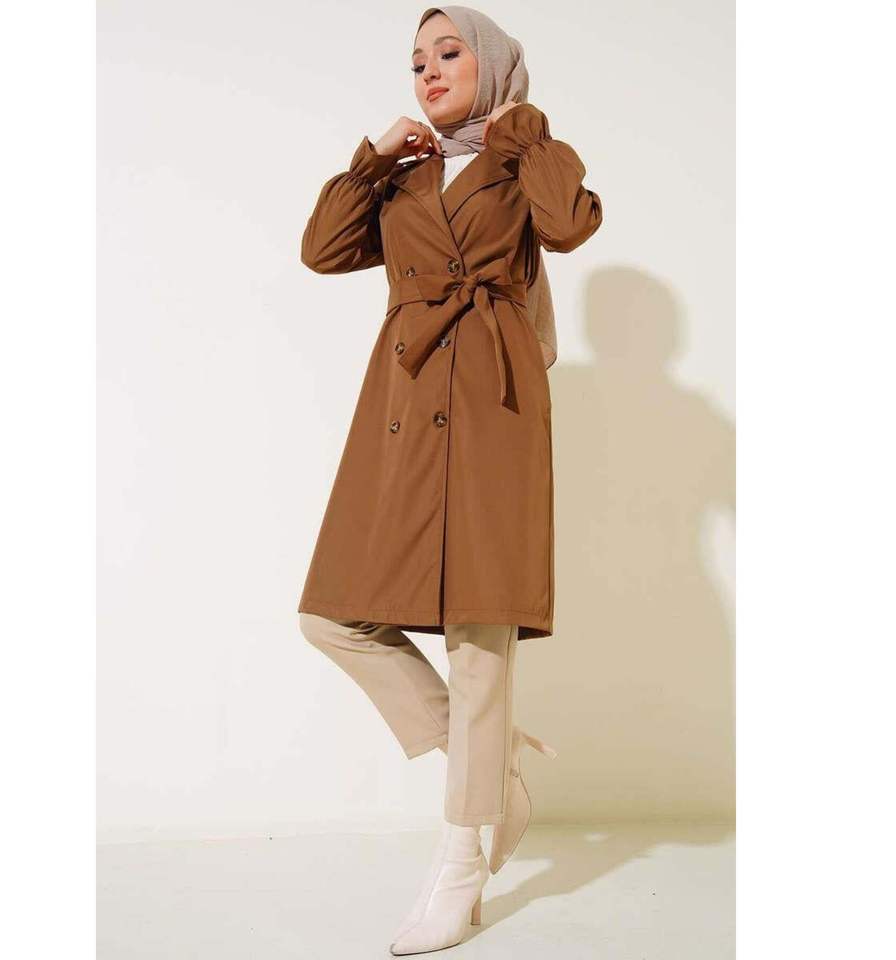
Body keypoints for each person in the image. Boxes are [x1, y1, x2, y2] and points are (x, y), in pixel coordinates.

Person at [297, 6, 602, 953]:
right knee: (333, 616)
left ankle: (460, 864)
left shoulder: (523, 159)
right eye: (416, 60)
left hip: (493, 407)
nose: (427, 71)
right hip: (403, 405)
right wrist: (372, 159)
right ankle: (492, 761)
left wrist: (527, 133)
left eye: (449, 51)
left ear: (496, 65)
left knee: (479, 636)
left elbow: (570, 225)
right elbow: (324, 250)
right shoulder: (408, 175)